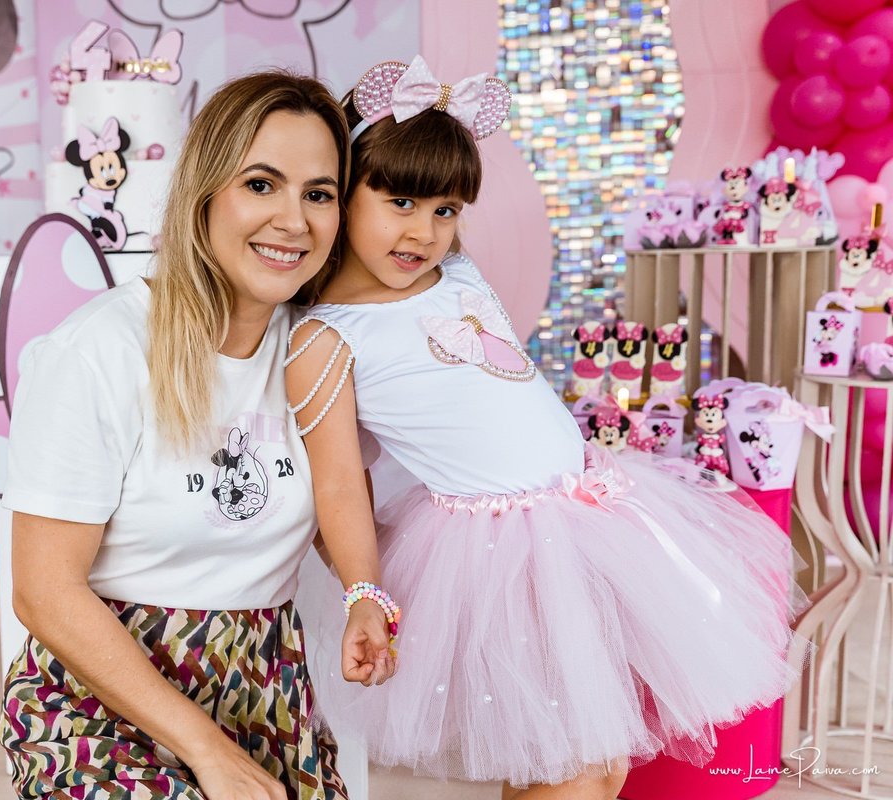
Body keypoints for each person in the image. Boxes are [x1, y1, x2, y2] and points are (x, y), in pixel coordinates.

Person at [286, 56, 807, 800]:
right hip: (498, 557)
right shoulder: (326, 337)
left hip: (589, 517)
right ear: (341, 192)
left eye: (445, 210)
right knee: (568, 766)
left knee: (599, 758)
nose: (424, 231)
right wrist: (364, 591)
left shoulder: (454, 273)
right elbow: (339, 481)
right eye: (399, 201)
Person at [0, 71, 351, 800]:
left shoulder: (318, 353)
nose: (294, 220)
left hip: (265, 696)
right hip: (101, 701)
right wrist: (207, 753)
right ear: (204, 194)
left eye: (319, 194)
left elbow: (343, 512)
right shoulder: (101, 349)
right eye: (261, 185)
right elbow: (43, 591)